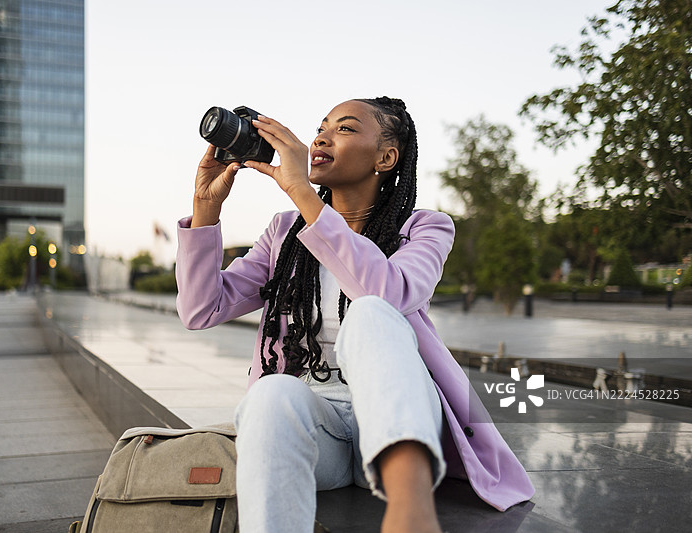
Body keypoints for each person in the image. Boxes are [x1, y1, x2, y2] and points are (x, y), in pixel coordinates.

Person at [175, 97, 534, 533]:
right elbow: (200, 309)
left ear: (386, 157)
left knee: (369, 314)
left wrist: (304, 196)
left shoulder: (424, 227)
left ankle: (410, 512)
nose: (321, 136)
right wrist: (205, 205)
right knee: (271, 395)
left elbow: (386, 294)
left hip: (396, 418)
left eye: (344, 129)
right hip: (320, 427)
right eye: (321, 126)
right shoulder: (285, 232)